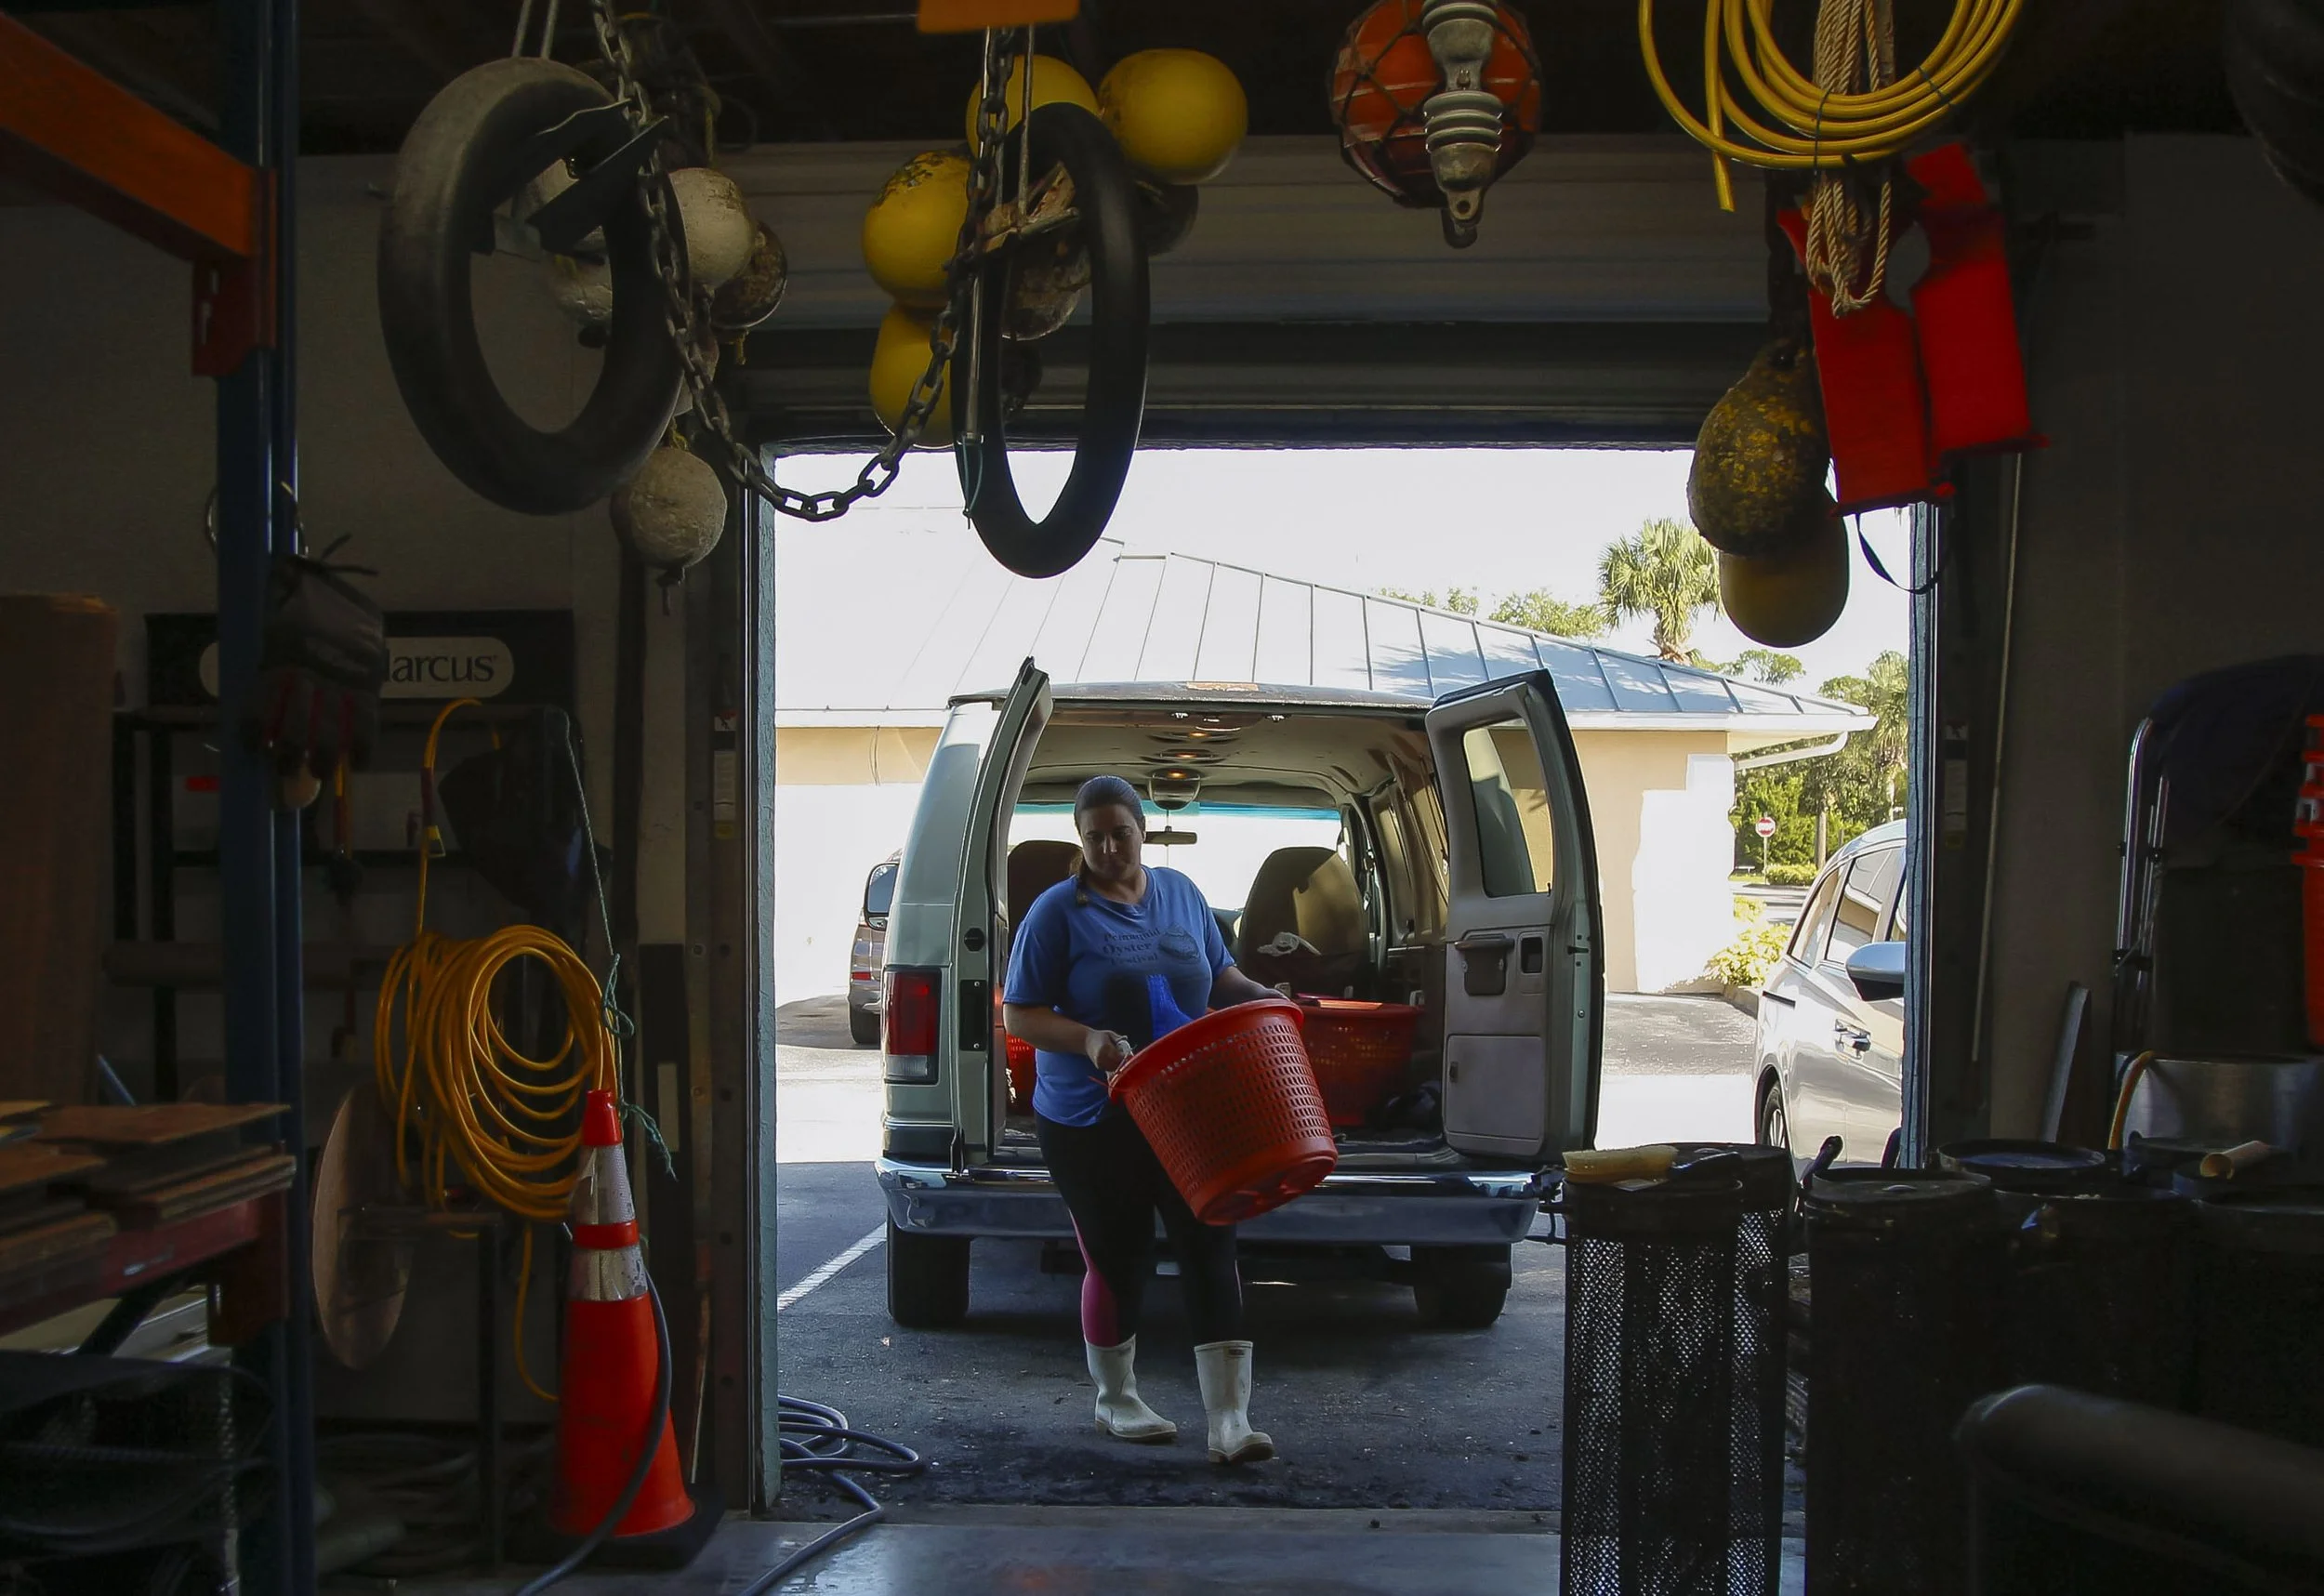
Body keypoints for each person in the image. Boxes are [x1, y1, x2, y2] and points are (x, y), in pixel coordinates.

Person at [1001, 774, 1285, 1465]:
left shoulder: (1182, 894)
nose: (1107, 846)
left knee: (1210, 1242)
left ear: (1141, 830)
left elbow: (1220, 976)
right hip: (1091, 1118)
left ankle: (1229, 1419)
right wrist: (1088, 1038)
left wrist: (1266, 996)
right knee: (1120, 1255)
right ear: (1080, 837)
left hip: (1187, 1109)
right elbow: (1020, 1012)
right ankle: (1115, 1398)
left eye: (1119, 832)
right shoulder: (1055, 913)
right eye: (1093, 835)